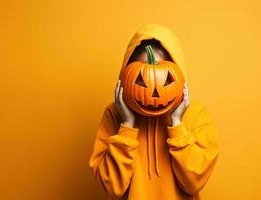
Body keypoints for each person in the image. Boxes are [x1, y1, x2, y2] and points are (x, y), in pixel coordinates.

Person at [90, 24, 219, 200]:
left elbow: (193, 183)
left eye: (165, 80)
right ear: (125, 75)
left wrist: (177, 125)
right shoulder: (114, 115)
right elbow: (112, 187)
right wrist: (127, 126)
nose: (154, 94)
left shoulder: (196, 115)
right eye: (141, 80)